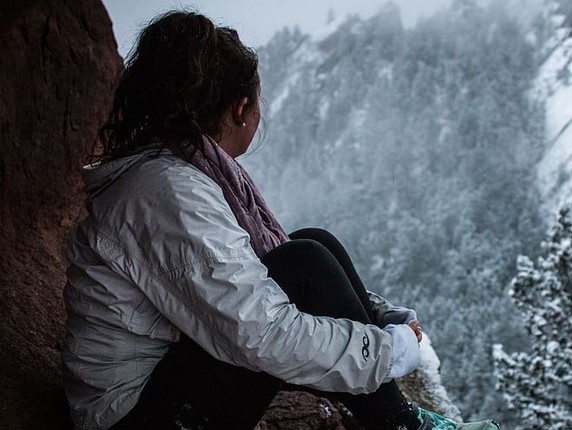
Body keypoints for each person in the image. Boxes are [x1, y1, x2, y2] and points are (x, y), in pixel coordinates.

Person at [61, 10, 498, 430]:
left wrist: (378, 315)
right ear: (241, 109)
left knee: (307, 246)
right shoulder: (170, 192)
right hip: (135, 418)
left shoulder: (172, 175)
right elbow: (262, 334)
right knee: (303, 261)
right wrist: (388, 351)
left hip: (153, 386)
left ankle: (397, 419)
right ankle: (398, 424)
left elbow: (252, 275)